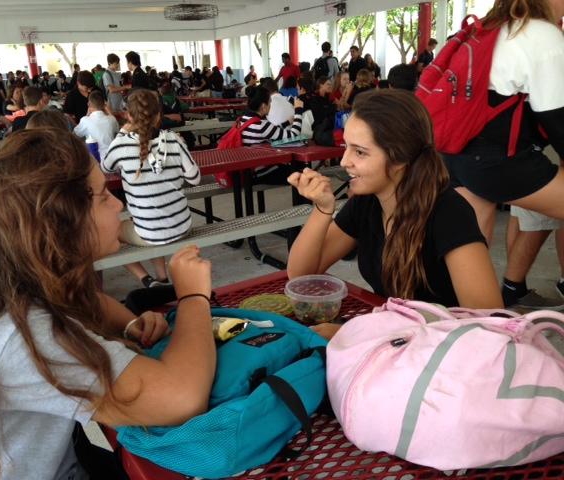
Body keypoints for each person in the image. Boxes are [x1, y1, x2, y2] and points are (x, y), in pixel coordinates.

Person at [0, 127, 215, 479]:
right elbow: (181, 399)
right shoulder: (13, 331)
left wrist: (128, 325)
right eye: (104, 196)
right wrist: (193, 296)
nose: (119, 204)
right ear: (62, 220)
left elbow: (82, 299)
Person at [286, 89, 502, 340]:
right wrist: (323, 209)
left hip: (439, 358)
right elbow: (301, 275)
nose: (344, 161)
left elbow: (488, 326)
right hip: (394, 338)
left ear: (399, 157)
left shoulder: (448, 213)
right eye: (346, 146)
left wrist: (362, 335)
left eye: (360, 152)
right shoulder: (367, 202)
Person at [440, 0, 564, 301]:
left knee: (470, 247)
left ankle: (468, 321)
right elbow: (558, 122)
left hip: (455, 153)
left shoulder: (487, 30)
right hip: (497, 161)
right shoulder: (543, 35)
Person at [102, 89, 201, 288]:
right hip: (182, 226)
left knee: (107, 234)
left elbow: (105, 167)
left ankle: (146, 279)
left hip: (149, 232)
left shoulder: (120, 145)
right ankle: (162, 277)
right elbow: (195, 179)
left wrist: (123, 132)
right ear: (158, 116)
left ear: (128, 116)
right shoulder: (174, 139)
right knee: (151, 215)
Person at [239, 86, 304, 184]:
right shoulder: (260, 125)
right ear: (263, 106)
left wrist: (286, 123)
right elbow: (294, 135)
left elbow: (270, 131)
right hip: (259, 172)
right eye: (270, 102)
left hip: (247, 168)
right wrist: (298, 111)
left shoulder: (244, 119)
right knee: (302, 177)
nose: (270, 105)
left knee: (297, 170)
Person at [74, 90, 119, 160]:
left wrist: (87, 115)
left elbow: (75, 134)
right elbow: (117, 130)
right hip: (112, 157)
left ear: (88, 104)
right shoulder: (112, 119)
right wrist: (110, 112)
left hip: (95, 158)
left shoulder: (85, 120)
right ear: (104, 105)